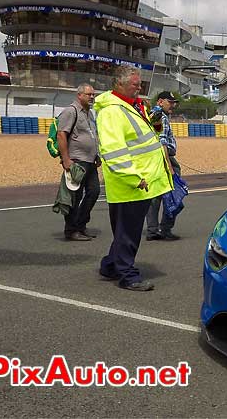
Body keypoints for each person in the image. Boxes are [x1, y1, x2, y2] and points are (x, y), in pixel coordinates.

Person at [95, 68, 172, 291]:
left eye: (140, 84)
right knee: (129, 232)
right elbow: (113, 150)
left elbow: (143, 138)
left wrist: (154, 123)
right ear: (119, 84)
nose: (140, 88)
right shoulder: (112, 112)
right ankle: (128, 275)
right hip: (131, 184)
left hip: (140, 182)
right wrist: (133, 177)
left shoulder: (131, 107)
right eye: (135, 84)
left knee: (125, 230)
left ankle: (110, 265)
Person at [56, 84, 100, 241]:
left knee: (94, 192)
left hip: (90, 161)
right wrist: (66, 159)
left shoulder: (89, 114)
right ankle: (71, 229)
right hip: (76, 161)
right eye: (89, 94)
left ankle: (81, 225)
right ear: (79, 95)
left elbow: (93, 135)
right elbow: (61, 135)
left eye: (93, 94)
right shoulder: (71, 111)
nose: (92, 97)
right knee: (75, 196)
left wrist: (97, 154)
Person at [145, 91, 182, 241]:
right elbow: (162, 143)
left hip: (153, 160)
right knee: (174, 195)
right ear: (160, 102)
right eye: (170, 102)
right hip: (164, 159)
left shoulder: (152, 114)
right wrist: (169, 166)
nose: (173, 105)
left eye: (174, 102)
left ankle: (152, 230)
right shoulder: (161, 117)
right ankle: (166, 228)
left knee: (155, 197)